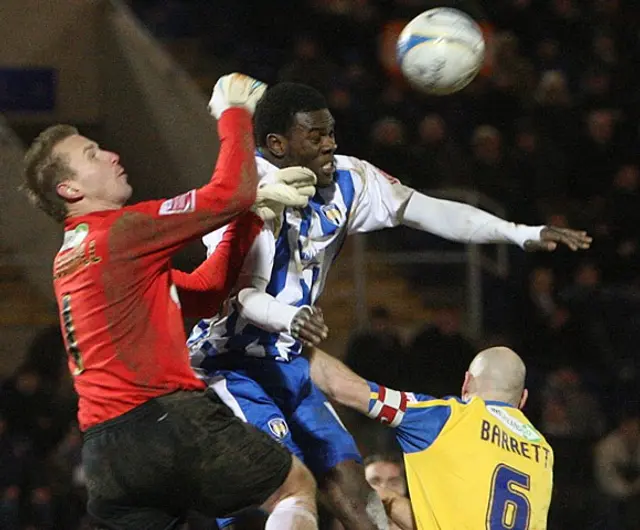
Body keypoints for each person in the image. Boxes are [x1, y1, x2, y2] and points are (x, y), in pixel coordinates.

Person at [188, 82, 586, 530]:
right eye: (315, 135)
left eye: (331, 132)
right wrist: (290, 317)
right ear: (278, 145)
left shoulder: (348, 179)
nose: (330, 144)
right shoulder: (242, 192)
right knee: (283, 488)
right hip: (229, 363)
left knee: (354, 493)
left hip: (288, 360)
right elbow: (237, 295)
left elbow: (431, 211)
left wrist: (519, 232)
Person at [21, 73, 320, 530]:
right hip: (167, 417)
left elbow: (204, 293)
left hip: (108, 453)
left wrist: (252, 219)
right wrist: (233, 113)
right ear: (70, 190)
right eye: (92, 155)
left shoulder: (74, 257)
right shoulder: (120, 229)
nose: (112, 154)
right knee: (294, 486)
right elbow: (229, 192)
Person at [308, 346, 554, 530]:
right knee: (385, 497)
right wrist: (389, 500)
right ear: (522, 399)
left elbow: (340, 386)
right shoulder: (542, 450)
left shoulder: (445, 418)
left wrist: (286, 336)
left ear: (466, 382)